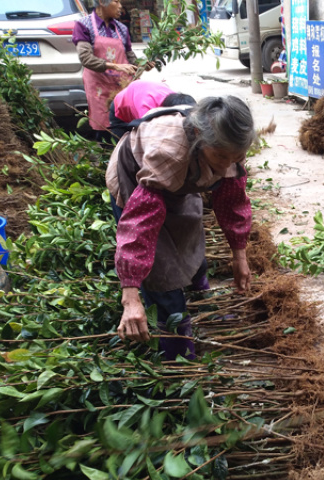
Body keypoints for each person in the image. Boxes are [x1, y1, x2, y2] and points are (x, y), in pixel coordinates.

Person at [106, 96, 256, 360]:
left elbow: (232, 202)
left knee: (189, 229)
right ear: (198, 136)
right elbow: (138, 229)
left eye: (236, 157)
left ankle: (200, 294)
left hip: (180, 172)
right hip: (135, 175)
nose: (226, 165)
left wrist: (239, 256)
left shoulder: (229, 146)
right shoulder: (169, 152)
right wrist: (130, 297)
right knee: (161, 272)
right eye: (220, 156)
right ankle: (179, 355)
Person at [73, 0, 139, 140]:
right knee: (104, 130)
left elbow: (131, 57)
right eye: (116, 1)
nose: (121, 6)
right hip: (99, 89)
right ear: (102, 2)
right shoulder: (84, 25)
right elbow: (86, 59)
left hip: (121, 87)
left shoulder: (122, 29)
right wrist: (115, 66)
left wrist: (143, 65)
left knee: (126, 127)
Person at [108, 80, 196, 139]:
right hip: (120, 108)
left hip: (139, 94)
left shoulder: (178, 100)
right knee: (121, 145)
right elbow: (147, 137)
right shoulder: (146, 109)